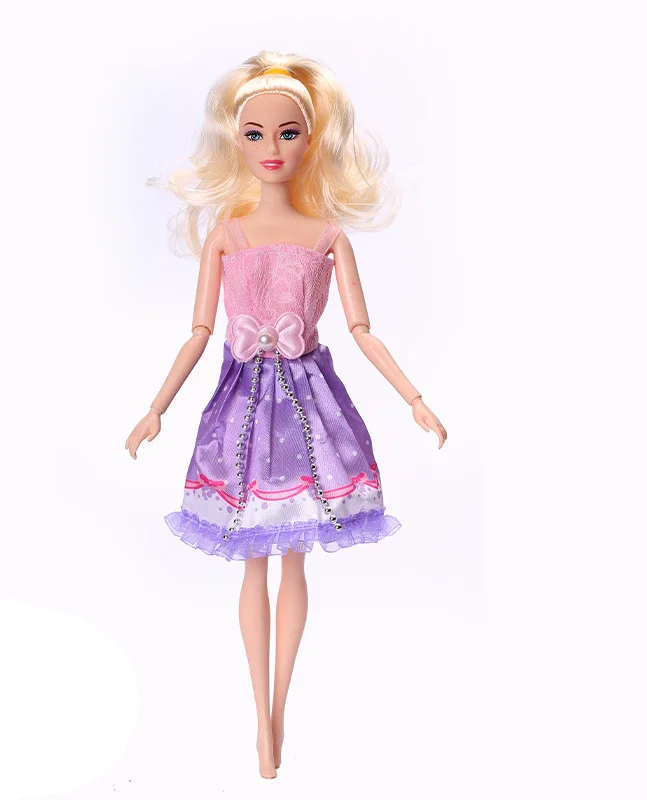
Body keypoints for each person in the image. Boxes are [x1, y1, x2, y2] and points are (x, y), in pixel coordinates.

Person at [125, 51, 447, 779]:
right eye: (255, 134)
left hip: (310, 408)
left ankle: (279, 713)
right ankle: (260, 722)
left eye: (288, 132)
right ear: (233, 141)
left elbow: (362, 331)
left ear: (313, 139)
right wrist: (155, 409)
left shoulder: (328, 235)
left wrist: (415, 398)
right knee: (253, 563)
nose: (272, 147)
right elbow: (198, 333)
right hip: (240, 410)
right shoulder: (227, 234)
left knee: (294, 559)